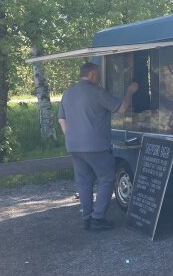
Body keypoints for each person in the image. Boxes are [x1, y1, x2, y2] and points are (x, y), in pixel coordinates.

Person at [58, 62, 138, 231]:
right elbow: (122, 108)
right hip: (97, 147)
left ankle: (86, 218)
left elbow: (61, 120)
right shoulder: (97, 92)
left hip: (74, 147)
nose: (100, 78)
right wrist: (130, 91)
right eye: (99, 75)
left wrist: (72, 137)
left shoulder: (67, 93)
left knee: (84, 182)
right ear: (93, 75)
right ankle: (98, 218)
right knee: (107, 179)